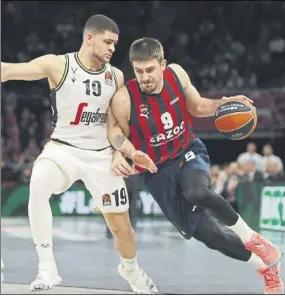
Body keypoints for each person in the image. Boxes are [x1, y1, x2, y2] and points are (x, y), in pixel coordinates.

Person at [107, 37, 284, 294]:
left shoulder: (177, 75)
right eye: (138, 71)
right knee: (213, 237)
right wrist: (130, 151)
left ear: (163, 65)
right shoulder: (125, 99)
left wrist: (223, 104)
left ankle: (253, 239)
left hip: (187, 152)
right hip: (157, 172)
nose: (144, 77)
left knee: (197, 192)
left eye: (150, 70)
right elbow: (114, 133)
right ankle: (268, 267)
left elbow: (199, 106)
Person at [1, 16, 158, 294]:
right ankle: (47, 266)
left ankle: (131, 270)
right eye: (108, 42)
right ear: (89, 38)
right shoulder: (59, 65)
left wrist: (123, 152)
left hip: (101, 156)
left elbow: (116, 127)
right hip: (63, 149)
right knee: (38, 183)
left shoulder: (116, 77)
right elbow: (11, 71)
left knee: (122, 229)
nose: (112, 49)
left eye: (115, 44)